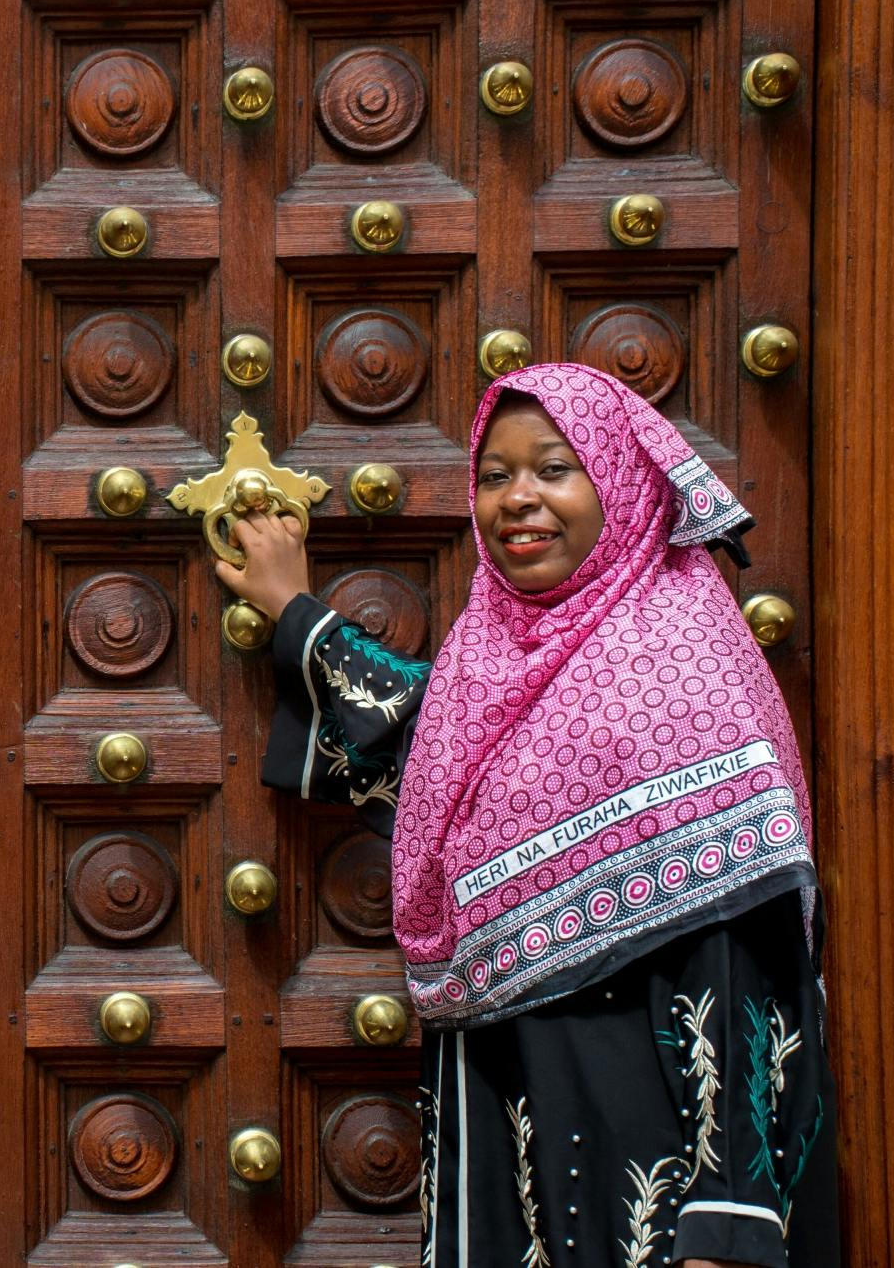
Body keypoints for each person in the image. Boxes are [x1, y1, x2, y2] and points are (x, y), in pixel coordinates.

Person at [219, 364, 838, 1267]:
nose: (520, 499)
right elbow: (419, 740)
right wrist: (295, 612)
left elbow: (748, 953)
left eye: (555, 467)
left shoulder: (687, 667)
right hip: (501, 1111)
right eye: (495, 475)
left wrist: (726, 1215)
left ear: (620, 480)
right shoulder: (487, 665)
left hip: (646, 1146)